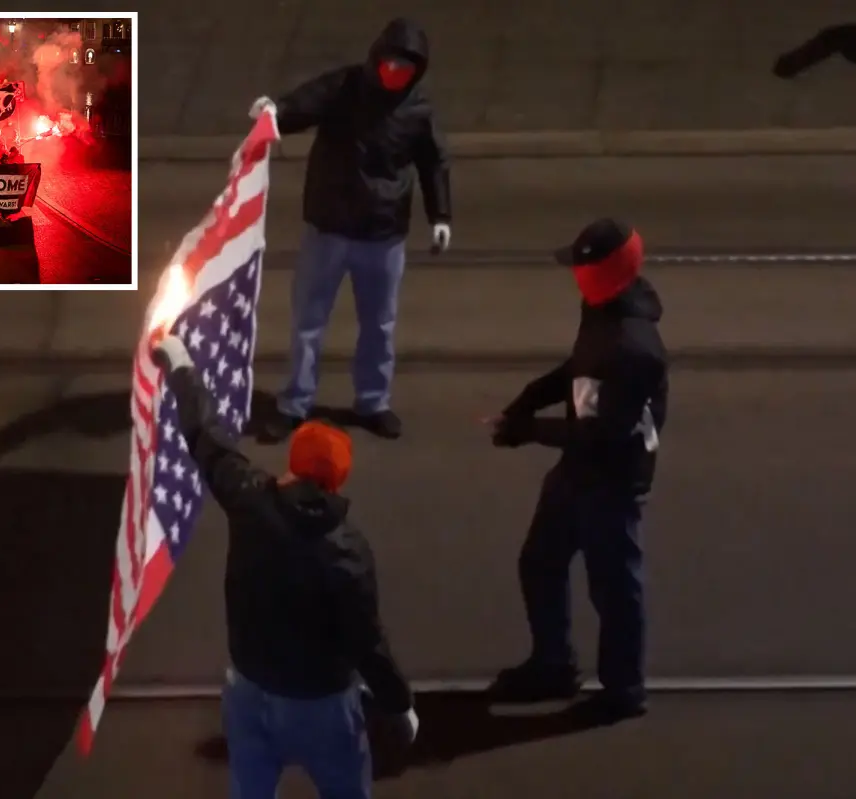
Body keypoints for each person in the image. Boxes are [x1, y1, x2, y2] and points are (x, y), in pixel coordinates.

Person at [151, 333, 419, 798]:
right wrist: (399, 705)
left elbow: (206, 434)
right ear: (338, 481)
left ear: (292, 462)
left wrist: (180, 365)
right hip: (321, 705)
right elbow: (367, 643)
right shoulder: (348, 551)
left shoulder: (249, 498)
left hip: (248, 690)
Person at [487, 218, 669, 724]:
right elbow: (577, 370)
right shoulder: (601, 310)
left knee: (613, 585)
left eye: (582, 266)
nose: (574, 275)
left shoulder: (634, 350)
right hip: (581, 464)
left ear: (605, 274)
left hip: (612, 475)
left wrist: (529, 431)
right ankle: (553, 664)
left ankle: (624, 687)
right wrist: (529, 399)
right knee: (540, 560)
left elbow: (604, 433)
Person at [253, 17, 452, 443]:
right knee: (309, 321)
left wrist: (441, 216)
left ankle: (373, 402)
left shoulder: (418, 110)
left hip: (382, 235)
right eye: (390, 65)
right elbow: (305, 104)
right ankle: (295, 403)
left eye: (404, 69)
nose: (394, 74)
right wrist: (276, 112)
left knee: (379, 324)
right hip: (329, 227)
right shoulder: (345, 87)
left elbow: (434, 163)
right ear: (378, 60)